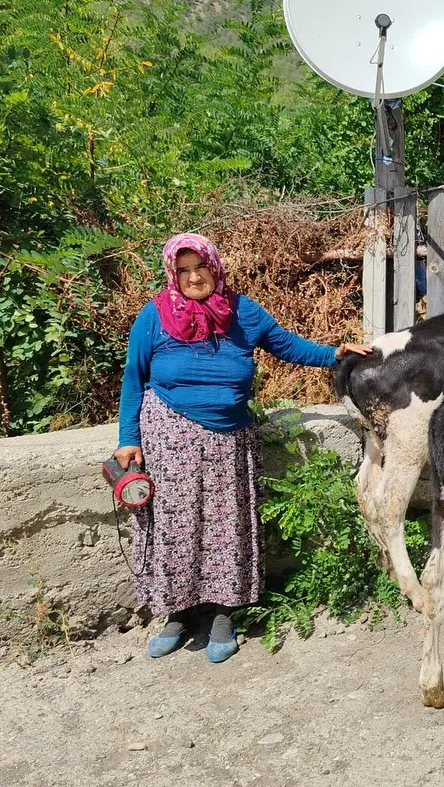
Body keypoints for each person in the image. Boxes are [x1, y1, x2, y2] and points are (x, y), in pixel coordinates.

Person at [114, 233, 372, 662]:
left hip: (229, 439)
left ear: (215, 267)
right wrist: (128, 439)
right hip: (168, 438)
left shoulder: (241, 310)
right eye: (184, 270)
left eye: (200, 267)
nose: (194, 277)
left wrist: (334, 354)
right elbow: (133, 378)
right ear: (172, 274)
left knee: (226, 526)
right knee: (173, 527)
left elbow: (285, 344)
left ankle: (222, 614)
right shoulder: (154, 316)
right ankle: (178, 614)